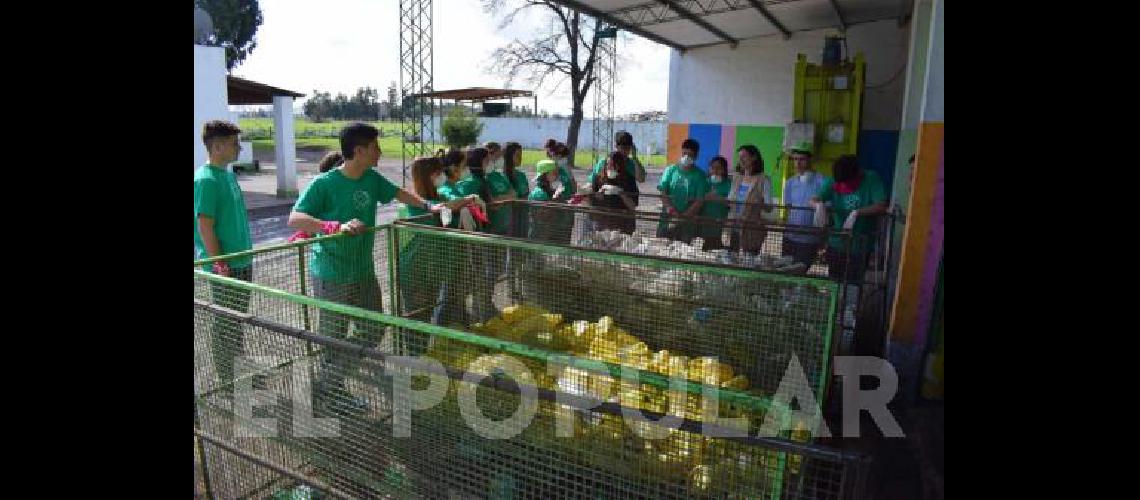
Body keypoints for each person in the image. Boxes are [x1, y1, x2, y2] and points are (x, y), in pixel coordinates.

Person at [287, 122, 445, 411]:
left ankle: (329, 379)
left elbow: (398, 193)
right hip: (332, 273)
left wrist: (427, 206)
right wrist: (331, 226)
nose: (380, 152)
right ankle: (327, 392)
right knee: (334, 336)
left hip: (363, 271)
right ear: (359, 151)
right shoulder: (325, 184)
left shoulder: (371, 178)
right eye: (375, 147)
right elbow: (296, 219)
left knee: (373, 329)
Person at [194, 120, 254, 397]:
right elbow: (204, 226)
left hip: (242, 261)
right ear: (217, 147)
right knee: (225, 323)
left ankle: (239, 374)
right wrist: (219, 263)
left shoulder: (227, 175)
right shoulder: (205, 180)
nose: (239, 148)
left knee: (237, 319)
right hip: (225, 266)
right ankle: (228, 382)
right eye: (233, 144)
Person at [398, 157, 475, 343]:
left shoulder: (439, 196)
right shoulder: (414, 202)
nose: (442, 177)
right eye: (438, 173)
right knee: (418, 315)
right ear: (427, 176)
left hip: (435, 266)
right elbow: (441, 209)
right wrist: (467, 200)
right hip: (415, 268)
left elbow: (451, 203)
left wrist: (465, 204)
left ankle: (427, 353)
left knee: (432, 308)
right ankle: (414, 357)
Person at [812, 154, 888, 284]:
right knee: (834, 281)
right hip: (836, 243)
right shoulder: (834, 180)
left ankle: (850, 304)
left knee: (853, 284)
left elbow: (882, 205)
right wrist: (818, 206)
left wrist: (857, 212)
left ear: (858, 173)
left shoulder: (871, 179)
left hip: (859, 244)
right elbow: (815, 199)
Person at [780, 142, 827, 271]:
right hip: (790, 236)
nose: (797, 163)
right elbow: (788, 207)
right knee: (784, 270)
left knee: (800, 271)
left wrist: (823, 238)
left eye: (802, 159)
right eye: (795, 159)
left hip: (809, 238)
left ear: (810, 160)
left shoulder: (822, 181)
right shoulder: (790, 183)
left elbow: (826, 211)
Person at [656, 138, 710, 242]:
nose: (687, 157)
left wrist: (683, 217)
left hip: (688, 226)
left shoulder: (700, 176)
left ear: (696, 156)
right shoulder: (670, 170)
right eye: (684, 153)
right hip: (667, 221)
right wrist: (672, 211)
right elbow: (663, 193)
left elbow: (699, 201)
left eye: (690, 155)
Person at [725, 144, 774, 255]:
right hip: (735, 226)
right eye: (739, 157)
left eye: (744, 157)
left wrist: (759, 203)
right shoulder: (737, 177)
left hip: (752, 229)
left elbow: (769, 208)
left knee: (749, 259)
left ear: (754, 158)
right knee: (732, 257)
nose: (740, 160)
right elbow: (730, 200)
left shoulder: (764, 180)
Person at [586, 151, 638, 234]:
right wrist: (596, 196)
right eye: (607, 165)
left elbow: (632, 206)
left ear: (620, 166)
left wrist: (621, 193)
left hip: (623, 225)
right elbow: (590, 204)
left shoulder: (629, 180)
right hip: (601, 225)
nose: (609, 168)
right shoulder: (598, 179)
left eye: (613, 165)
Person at [587, 131, 645, 200]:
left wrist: (635, 158)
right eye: (622, 148)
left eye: (628, 148)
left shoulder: (632, 164)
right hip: (604, 201)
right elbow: (592, 182)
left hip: (623, 203)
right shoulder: (605, 162)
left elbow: (641, 179)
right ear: (616, 146)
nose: (625, 151)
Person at [527, 159, 573, 242]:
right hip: (539, 235)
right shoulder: (538, 194)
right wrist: (555, 201)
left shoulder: (551, 191)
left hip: (549, 234)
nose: (556, 175)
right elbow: (543, 215)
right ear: (545, 174)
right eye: (553, 173)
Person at [699, 155, 733, 250]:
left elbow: (731, 203)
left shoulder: (728, 184)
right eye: (713, 168)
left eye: (718, 168)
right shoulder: (705, 182)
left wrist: (719, 198)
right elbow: (698, 199)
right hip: (704, 221)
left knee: (715, 244)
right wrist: (706, 197)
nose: (715, 171)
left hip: (720, 222)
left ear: (724, 170)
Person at [501, 142, 530, 237]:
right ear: (508, 156)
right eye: (517, 155)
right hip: (506, 219)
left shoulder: (521, 175)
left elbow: (526, 195)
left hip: (522, 217)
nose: (520, 158)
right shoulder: (500, 176)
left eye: (521, 155)